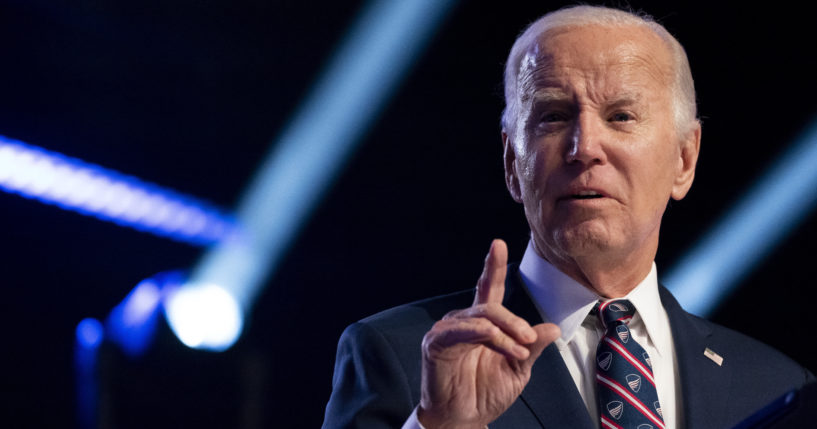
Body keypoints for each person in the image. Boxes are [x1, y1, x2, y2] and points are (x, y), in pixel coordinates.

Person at [322, 5, 813, 429]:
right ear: (513, 164)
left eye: (621, 116)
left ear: (684, 160)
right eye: (553, 116)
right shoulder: (398, 356)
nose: (584, 148)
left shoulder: (777, 386)